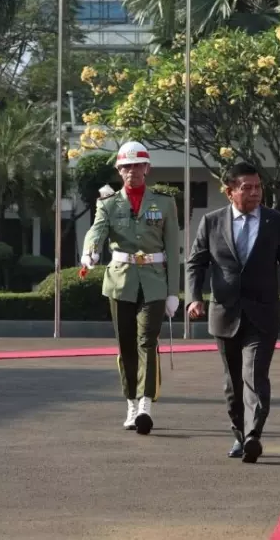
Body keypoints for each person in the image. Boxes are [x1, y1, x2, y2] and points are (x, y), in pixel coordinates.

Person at [186, 162, 280, 463]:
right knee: (232, 384)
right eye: (247, 188)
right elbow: (196, 263)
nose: (255, 193)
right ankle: (239, 435)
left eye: (258, 187)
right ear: (229, 191)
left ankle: (253, 436)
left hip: (263, 313)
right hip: (225, 314)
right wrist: (194, 298)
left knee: (255, 375)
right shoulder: (211, 222)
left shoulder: (276, 222)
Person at [81, 141, 181, 435]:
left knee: (147, 341)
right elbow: (96, 231)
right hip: (120, 280)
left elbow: (173, 249)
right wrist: (90, 252)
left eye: (137, 165)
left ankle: (145, 404)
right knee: (126, 344)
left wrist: (174, 291)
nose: (132, 171)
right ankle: (130, 402)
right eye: (126, 166)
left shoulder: (164, 202)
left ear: (146, 168)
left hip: (154, 282)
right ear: (119, 170)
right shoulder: (108, 203)